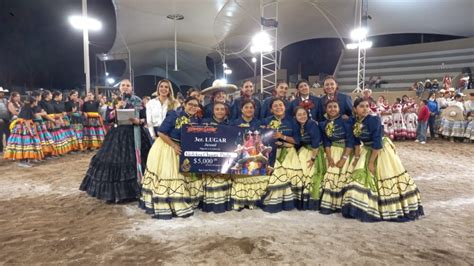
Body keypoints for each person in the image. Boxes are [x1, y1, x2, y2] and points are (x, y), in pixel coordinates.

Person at [341, 98, 424, 222]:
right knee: (359, 178)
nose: (365, 109)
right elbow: (356, 141)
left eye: (367, 106)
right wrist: (357, 157)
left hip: (380, 151)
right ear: (355, 109)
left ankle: (385, 207)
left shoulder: (373, 119)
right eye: (361, 106)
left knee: (382, 175)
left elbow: (377, 142)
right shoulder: (354, 121)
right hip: (367, 149)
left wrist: (371, 162)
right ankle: (360, 206)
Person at [80, 79, 152, 202]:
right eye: (123, 85)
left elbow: (145, 119)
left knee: (137, 160)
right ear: (119, 88)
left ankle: (137, 190)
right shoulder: (114, 101)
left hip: (135, 133)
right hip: (117, 134)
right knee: (114, 161)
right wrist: (116, 110)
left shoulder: (138, 101)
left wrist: (138, 121)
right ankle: (116, 193)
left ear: (131, 88)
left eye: (128, 85)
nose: (125, 87)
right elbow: (108, 118)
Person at [140, 97, 202, 219]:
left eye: (196, 105)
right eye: (190, 104)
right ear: (184, 104)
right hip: (167, 147)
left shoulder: (195, 119)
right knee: (170, 175)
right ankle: (169, 204)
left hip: (182, 149)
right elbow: (161, 132)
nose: (193, 107)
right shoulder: (174, 114)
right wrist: (173, 146)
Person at [261, 98, 302, 212]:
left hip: (289, 153)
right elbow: (261, 140)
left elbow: (297, 140)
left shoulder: (292, 121)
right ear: (271, 109)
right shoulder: (265, 121)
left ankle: (289, 202)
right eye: (275, 106)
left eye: (281, 105)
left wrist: (282, 137)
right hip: (272, 153)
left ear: (285, 107)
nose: (278, 107)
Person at [230, 98, 268, 210]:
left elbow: (263, 138)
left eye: (251, 107)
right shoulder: (234, 123)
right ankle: (240, 201)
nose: (249, 109)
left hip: (255, 153)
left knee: (254, 176)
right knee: (241, 176)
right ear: (241, 109)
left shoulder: (259, 123)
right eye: (246, 107)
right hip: (241, 152)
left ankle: (252, 201)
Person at [318, 100, 354, 214]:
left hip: (345, 152)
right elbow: (326, 142)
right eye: (329, 107)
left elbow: (350, 141)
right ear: (326, 109)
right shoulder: (323, 124)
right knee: (331, 175)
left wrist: (344, 158)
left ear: (339, 109)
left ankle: (342, 204)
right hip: (331, 151)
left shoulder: (345, 121)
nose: (332, 109)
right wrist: (329, 157)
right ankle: (330, 204)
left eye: (335, 106)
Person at [200, 102, 232, 213]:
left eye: (222, 109)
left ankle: (222, 204)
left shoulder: (230, 124)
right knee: (210, 180)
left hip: (223, 158)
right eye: (217, 109)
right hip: (209, 156)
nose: (220, 111)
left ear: (225, 111)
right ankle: (209, 204)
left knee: (222, 180)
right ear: (213, 111)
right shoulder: (205, 123)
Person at [294, 106, 325, 210]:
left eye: (304, 114)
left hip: (314, 152)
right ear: (295, 117)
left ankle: (311, 201)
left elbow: (315, 143)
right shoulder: (299, 126)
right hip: (305, 149)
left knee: (310, 173)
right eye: (299, 114)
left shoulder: (311, 124)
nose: (302, 116)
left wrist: (312, 159)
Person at [3, 96, 43, 167]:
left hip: (24, 127)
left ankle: (26, 160)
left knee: (27, 144)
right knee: (24, 144)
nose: (37, 102)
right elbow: (26, 120)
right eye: (36, 101)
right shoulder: (27, 108)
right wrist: (30, 130)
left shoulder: (29, 108)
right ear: (33, 102)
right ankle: (23, 161)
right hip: (23, 128)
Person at [0, 87, 10, 153]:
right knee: (0, 134)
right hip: (0, 119)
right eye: (1, 92)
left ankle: (8, 148)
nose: (2, 93)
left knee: (8, 133)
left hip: (6, 119)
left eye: (2, 92)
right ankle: (0, 149)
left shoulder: (5, 100)